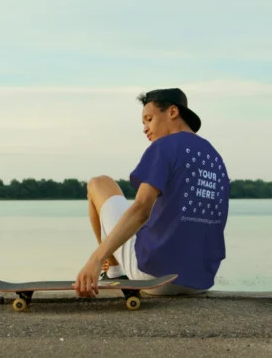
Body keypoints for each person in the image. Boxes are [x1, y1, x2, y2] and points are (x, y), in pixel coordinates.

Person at [73, 88, 230, 298]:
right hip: (200, 280)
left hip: (154, 275)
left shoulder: (165, 146)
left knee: (99, 183)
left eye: (149, 119)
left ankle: (113, 270)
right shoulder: (214, 157)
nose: (146, 128)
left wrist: (95, 259)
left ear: (172, 112)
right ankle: (116, 268)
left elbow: (141, 209)